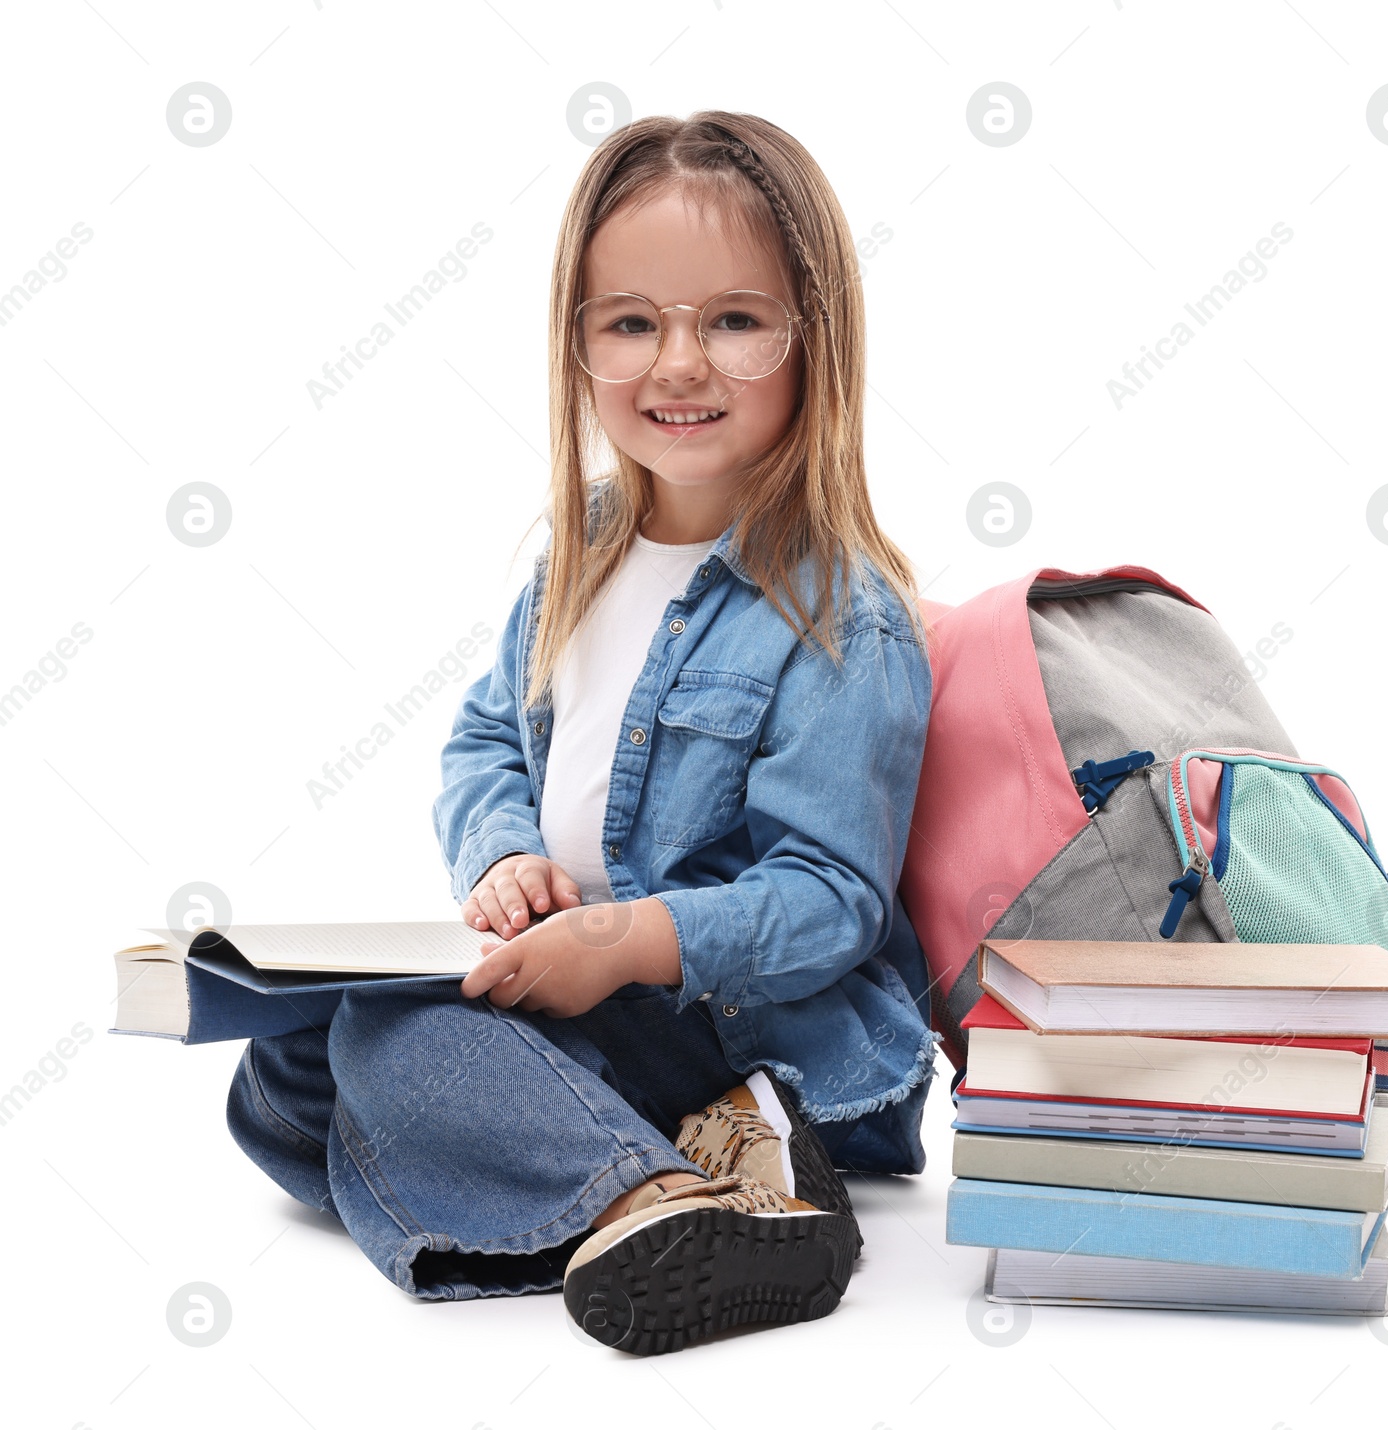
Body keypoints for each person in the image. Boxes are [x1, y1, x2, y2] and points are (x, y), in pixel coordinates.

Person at [225, 110, 939, 1355]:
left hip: (727, 1024)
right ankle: (701, 1176)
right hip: (582, 991)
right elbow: (483, 745)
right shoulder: (581, 552)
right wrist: (503, 856)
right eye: (630, 323)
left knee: (396, 1041)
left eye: (732, 319)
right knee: (287, 1068)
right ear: (579, 348)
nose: (679, 362)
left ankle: (646, 1193)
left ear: (812, 337)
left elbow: (831, 897)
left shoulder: (841, 612)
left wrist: (625, 938)